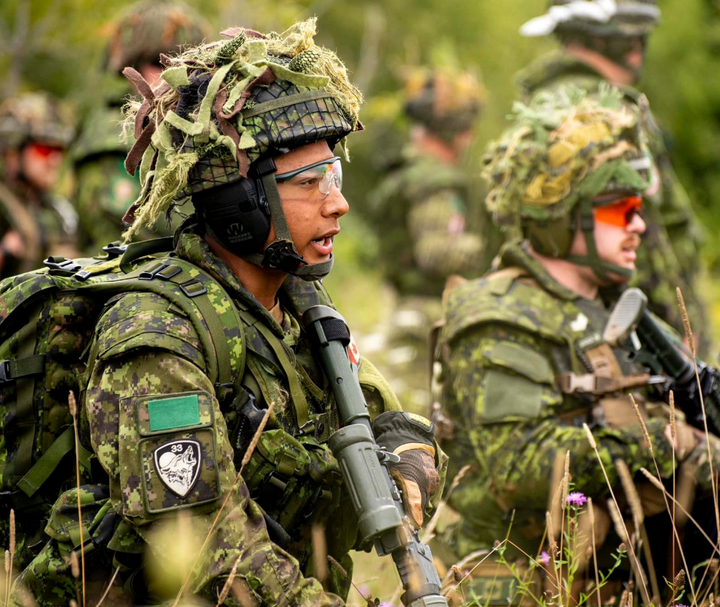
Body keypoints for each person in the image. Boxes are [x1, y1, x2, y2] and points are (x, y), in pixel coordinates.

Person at [11, 20, 444, 606]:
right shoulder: (154, 333)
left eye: (335, 176)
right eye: (309, 182)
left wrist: (412, 458)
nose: (337, 203)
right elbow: (208, 544)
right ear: (239, 201)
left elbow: (382, 416)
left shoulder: (298, 304)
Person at [436, 87, 720, 597]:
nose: (638, 224)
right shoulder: (497, 317)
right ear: (562, 215)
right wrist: (670, 441)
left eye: (638, 207)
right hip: (524, 579)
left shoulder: (611, 306)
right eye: (619, 209)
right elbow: (521, 464)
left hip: (625, 565)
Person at [516, 0, 709, 353]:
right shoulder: (610, 111)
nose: (639, 50)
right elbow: (638, 228)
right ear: (615, 41)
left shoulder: (539, 105)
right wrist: (677, 332)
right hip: (631, 328)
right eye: (634, 39)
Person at [367, 65, 485, 412]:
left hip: (405, 307)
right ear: (454, 131)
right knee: (415, 418)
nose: (469, 138)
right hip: (426, 319)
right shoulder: (434, 181)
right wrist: (494, 247)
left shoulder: (407, 170)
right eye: (465, 129)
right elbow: (436, 253)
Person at [70, 0, 207, 253]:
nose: (169, 73)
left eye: (180, 63)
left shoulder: (195, 126)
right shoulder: (111, 131)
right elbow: (118, 228)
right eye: (157, 61)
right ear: (132, 65)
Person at [0, 92, 78, 279]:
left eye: (59, 150)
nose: (55, 160)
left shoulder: (58, 209)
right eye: (45, 149)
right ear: (14, 151)